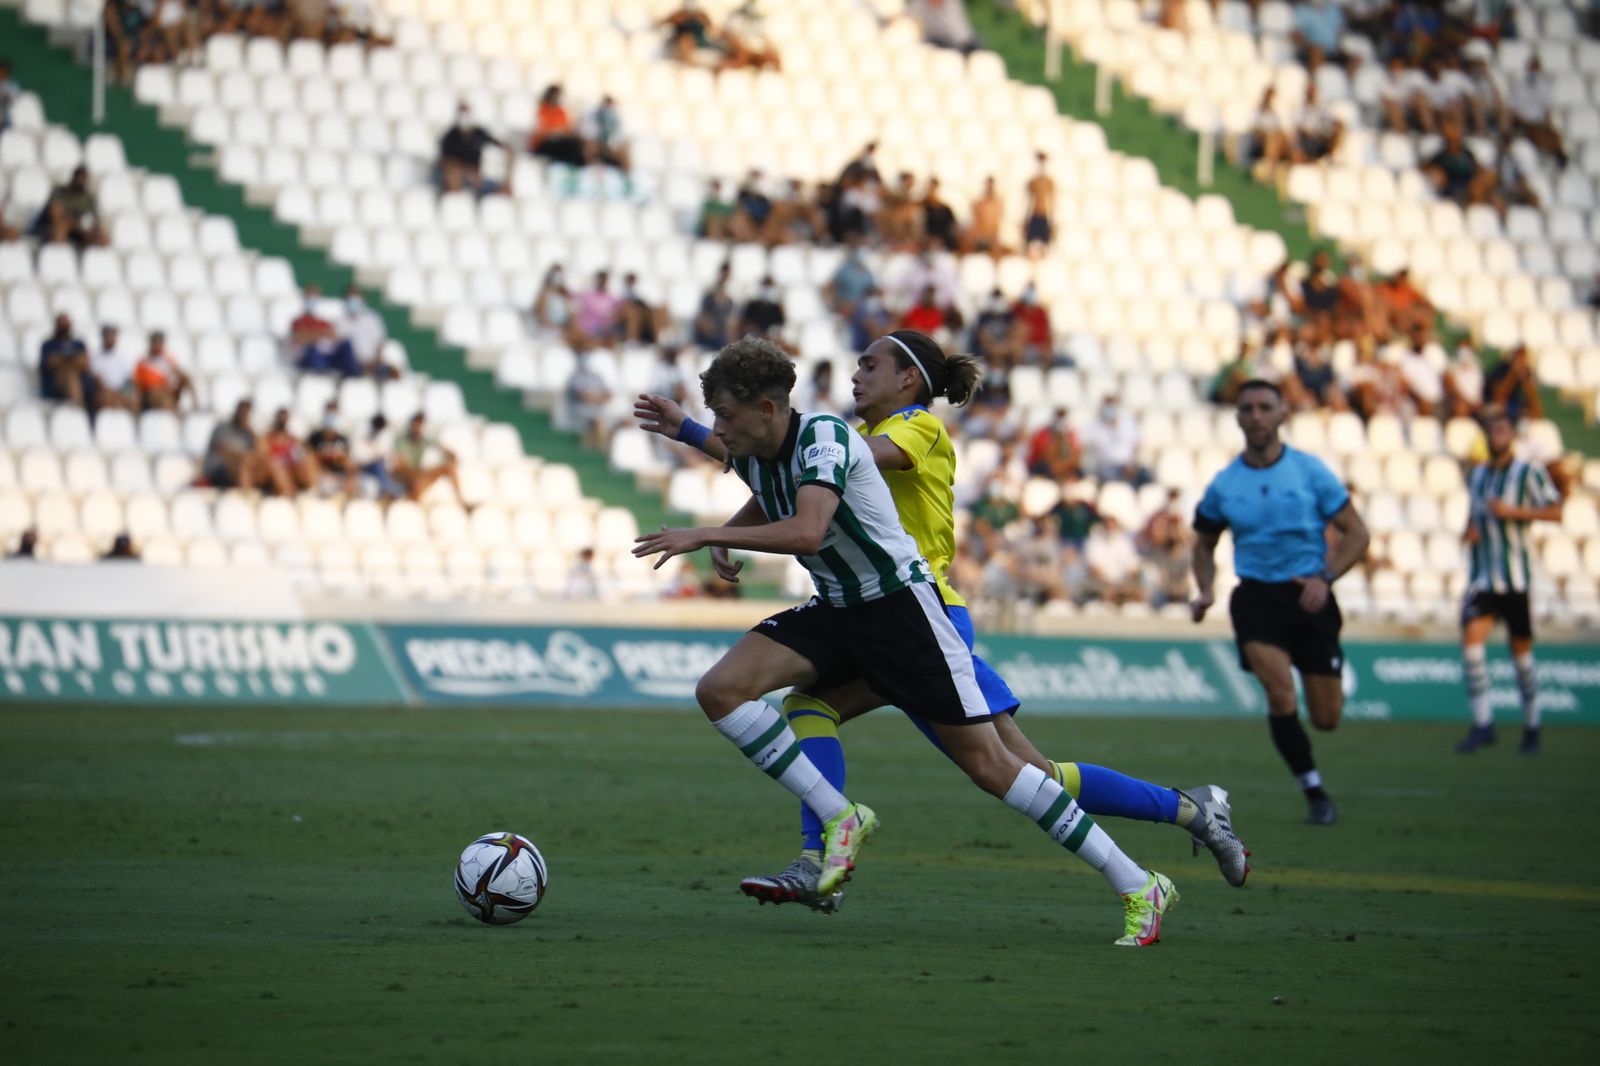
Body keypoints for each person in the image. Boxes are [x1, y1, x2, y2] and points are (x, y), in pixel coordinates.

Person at [640, 333, 1248, 911]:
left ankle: (1179, 821)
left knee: (1011, 771)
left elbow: (820, 471)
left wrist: (702, 451)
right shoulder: (834, 437)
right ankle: (824, 847)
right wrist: (717, 468)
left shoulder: (913, 428)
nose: (856, 373)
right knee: (817, 711)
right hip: (853, 608)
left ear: (910, 379)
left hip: (926, 613)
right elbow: (779, 462)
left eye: (870, 365)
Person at [1191, 380, 1371, 827]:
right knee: (1279, 691)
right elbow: (1203, 544)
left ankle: (1312, 773)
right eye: (1247, 408)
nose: (1255, 416)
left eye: (1264, 407)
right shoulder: (1225, 484)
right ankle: (1314, 791)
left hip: (1310, 596)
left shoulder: (1310, 472)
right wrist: (1207, 589)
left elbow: (1358, 533)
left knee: (1327, 717)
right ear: (1237, 418)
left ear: (1282, 414)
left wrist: (1325, 578)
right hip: (1256, 598)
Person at [1454, 408, 1565, 755]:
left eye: (1502, 430)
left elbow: (1556, 511)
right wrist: (1469, 531)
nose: (1496, 436)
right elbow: (1472, 517)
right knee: (1471, 645)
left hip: (1516, 580)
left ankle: (1532, 727)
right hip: (1484, 578)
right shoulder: (1478, 475)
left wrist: (1515, 513)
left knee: (1521, 659)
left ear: (1511, 436)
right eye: (1492, 431)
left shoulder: (1528, 472)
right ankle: (1484, 724)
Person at [391, 412, 462, 503]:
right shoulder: (401, 441)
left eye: (420, 424)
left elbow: (443, 448)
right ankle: (413, 502)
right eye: (416, 424)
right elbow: (401, 464)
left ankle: (461, 501)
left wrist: (450, 455)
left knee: (448, 468)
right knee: (417, 480)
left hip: (418, 473)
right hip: (405, 475)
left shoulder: (425, 440)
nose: (417, 427)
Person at [202, 400, 271, 490]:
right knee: (244, 463)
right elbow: (223, 449)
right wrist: (244, 458)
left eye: (246, 412)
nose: (243, 414)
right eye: (242, 411)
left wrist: (250, 430)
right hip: (219, 470)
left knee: (270, 465)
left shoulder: (248, 433)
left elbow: (263, 451)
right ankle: (246, 495)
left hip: (241, 470)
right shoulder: (222, 428)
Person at [438, 103, 505, 195]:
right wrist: (467, 173)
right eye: (462, 114)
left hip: (479, 178)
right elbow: (447, 163)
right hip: (461, 178)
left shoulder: (479, 133)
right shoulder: (450, 137)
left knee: (502, 188)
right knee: (453, 174)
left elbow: (502, 147)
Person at [32, 166, 107, 248]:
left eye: (84, 179)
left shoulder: (88, 198)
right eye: (80, 178)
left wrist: (86, 226)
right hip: (55, 226)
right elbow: (55, 213)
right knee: (60, 230)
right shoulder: (59, 191)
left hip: (80, 229)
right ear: (74, 178)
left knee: (102, 238)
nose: (82, 182)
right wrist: (72, 222)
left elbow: (94, 218)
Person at [38, 314, 96, 409]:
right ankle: (78, 409)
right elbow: (50, 363)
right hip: (57, 381)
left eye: (66, 323)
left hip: (81, 379)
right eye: (62, 323)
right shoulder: (48, 345)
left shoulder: (79, 344)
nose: (64, 325)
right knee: (70, 377)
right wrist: (69, 360)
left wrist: (64, 359)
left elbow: (85, 363)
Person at [263, 407, 321, 496]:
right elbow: (265, 457)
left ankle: (314, 490)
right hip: (275, 472)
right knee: (276, 467)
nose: (282, 420)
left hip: (293, 470)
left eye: (284, 417)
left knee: (309, 459)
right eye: (280, 417)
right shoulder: (267, 439)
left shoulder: (293, 439)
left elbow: (303, 454)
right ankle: (288, 494)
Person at [132, 332, 190, 412]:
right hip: (151, 394)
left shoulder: (168, 360)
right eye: (156, 342)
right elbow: (138, 385)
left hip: (166, 391)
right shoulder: (143, 362)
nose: (158, 346)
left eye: (160, 342)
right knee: (160, 396)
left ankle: (196, 406)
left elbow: (177, 374)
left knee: (186, 378)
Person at [529, 85, 585, 168]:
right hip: (543, 143)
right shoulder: (542, 109)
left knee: (576, 144)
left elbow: (567, 128)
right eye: (554, 95)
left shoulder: (561, 111)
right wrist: (556, 132)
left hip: (560, 141)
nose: (556, 98)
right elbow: (540, 131)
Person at [1023, 152, 1055, 258]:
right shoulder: (1033, 182)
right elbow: (1028, 202)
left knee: (1045, 246)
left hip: (1044, 214)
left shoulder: (1049, 182)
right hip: (1034, 214)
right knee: (1029, 244)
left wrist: (1052, 220)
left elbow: (1052, 202)